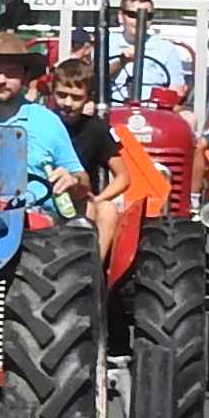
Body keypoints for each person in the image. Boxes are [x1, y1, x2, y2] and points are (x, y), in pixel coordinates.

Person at [0, 30, 85, 211]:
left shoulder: (47, 121)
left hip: (37, 225)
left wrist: (73, 181)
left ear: (26, 76)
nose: (1, 80)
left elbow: (82, 182)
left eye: (11, 73)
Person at [43, 53, 127, 267]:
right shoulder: (41, 122)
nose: (67, 103)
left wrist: (99, 199)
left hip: (79, 197)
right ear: (52, 92)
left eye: (76, 97)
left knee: (105, 210)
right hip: (42, 195)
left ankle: (92, 272)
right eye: (61, 95)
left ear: (88, 97)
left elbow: (123, 177)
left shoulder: (96, 129)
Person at [106, 0, 189, 106]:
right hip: (112, 110)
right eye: (132, 15)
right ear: (121, 16)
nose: (140, 21)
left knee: (189, 118)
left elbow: (176, 91)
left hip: (153, 112)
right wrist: (121, 62)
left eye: (147, 16)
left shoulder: (166, 49)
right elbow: (94, 82)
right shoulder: (105, 44)